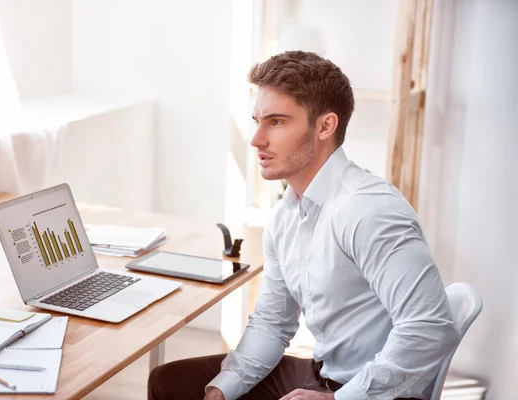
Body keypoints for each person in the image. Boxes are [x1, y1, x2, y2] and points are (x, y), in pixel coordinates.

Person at [148, 50, 461, 400]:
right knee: (171, 382)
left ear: (326, 126)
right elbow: (272, 324)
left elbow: (430, 329)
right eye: (258, 121)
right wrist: (222, 390)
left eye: (277, 122)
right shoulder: (287, 215)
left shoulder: (369, 209)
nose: (257, 139)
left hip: (372, 392)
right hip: (323, 375)